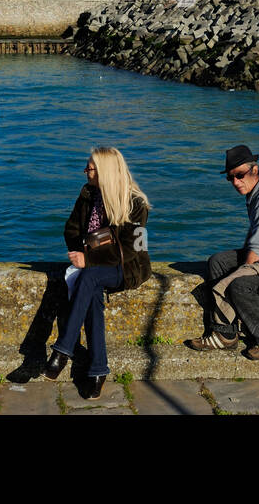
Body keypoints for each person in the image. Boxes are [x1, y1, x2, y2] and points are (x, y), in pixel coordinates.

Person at [44, 147, 151, 398]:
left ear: (104, 171)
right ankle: (98, 370)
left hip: (127, 268)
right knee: (90, 289)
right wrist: (81, 253)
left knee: (89, 276)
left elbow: (132, 250)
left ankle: (63, 350)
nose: (85, 172)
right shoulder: (88, 195)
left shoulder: (137, 204)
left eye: (89, 168)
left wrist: (88, 258)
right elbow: (70, 230)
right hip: (94, 267)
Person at [185, 145, 259, 359]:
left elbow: (257, 250)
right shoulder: (256, 192)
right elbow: (255, 239)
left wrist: (239, 274)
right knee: (217, 262)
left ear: (255, 170)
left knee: (240, 285)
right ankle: (226, 334)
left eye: (239, 175)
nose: (235, 182)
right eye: (230, 178)